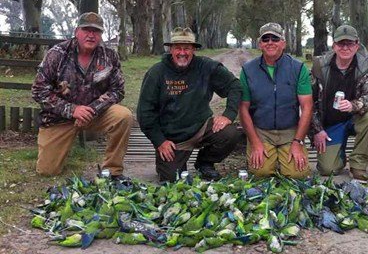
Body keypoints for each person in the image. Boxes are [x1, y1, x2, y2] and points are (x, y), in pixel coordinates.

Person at [32, 12, 133, 178]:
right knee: (47, 171)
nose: (91, 35)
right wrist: (72, 110)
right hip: (59, 119)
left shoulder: (109, 56)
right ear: (77, 31)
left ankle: (113, 171)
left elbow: (118, 90)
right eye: (86, 30)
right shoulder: (56, 54)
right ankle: (58, 152)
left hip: (95, 114)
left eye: (96, 31)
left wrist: (92, 110)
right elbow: (39, 90)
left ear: (101, 35)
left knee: (124, 116)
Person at [137, 27, 242, 182]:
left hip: (201, 127)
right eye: (178, 48)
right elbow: (144, 113)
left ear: (193, 50)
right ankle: (176, 163)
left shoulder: (206, 67)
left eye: (187, 48)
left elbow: (235, 86)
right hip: (172, 138)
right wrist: (159, 141)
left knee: (230, 133)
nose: (182, 53)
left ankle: (204, 163)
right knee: (172, 179)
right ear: (170, 49)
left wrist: (229, 114)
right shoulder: (157, 72)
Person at [239, 22, 313, 178]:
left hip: (290, 131)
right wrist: (255, 142)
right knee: (261, 172)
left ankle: (285, 158)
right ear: (260, 44)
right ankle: (269, 159)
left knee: (297, 174)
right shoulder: (248, 70)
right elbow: (243, 108)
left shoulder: (299, 68)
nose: (270, 42)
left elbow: (307, 107)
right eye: (266, 39)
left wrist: (297, 141)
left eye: (275, 38)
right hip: (261, 132)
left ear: (283, 43)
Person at [310, 25, 368, 181]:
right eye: (341, 44)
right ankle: (339, 156)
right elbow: (309, 102)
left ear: (357, 45)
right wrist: (317, 130)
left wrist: (353, 105)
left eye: (349, 44)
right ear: (334, 46)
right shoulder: (319, 66)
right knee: (327, 169)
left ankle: (358, 165)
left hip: (355, 118)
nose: (345, 48)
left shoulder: (366, 67)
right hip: (330, 123)